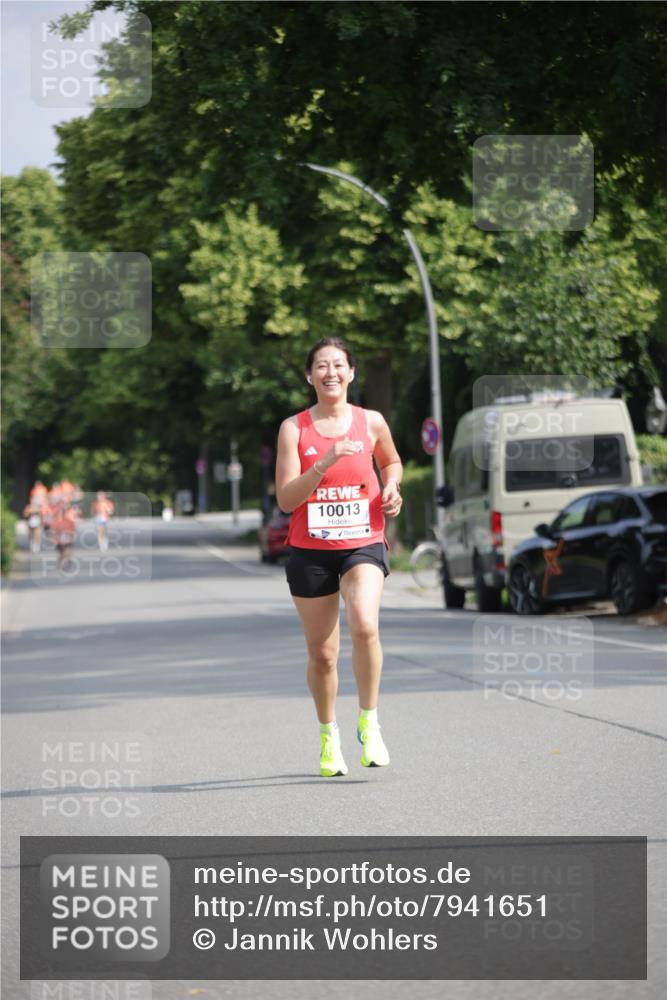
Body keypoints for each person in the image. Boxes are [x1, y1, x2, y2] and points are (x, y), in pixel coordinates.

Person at [275, 338, 403, 778]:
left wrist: (392, 487)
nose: (330, 372)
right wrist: (324, 462)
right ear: (309, 376)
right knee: (323, 654)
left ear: (351, 373)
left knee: (365, 623)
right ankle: (329, 736)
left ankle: (369, 719)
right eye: (321, 366)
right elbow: (287, 499)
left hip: (362, 541)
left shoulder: (371, 422)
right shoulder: (294, 429)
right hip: (310, 551)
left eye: (338, 365)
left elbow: (392, 462)